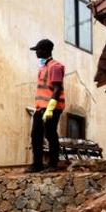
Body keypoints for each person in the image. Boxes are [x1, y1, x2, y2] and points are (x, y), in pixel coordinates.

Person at [28, 39, 65, 173]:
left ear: (45, 50)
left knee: (50, 134)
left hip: (51, 107)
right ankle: (37, 164)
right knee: (36, 135)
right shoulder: (44, 67)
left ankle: (53, 164)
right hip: (40, 107)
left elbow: (57, 89)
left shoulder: (55, 66)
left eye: (37, 50)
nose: (36, 52)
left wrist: (50, 108)